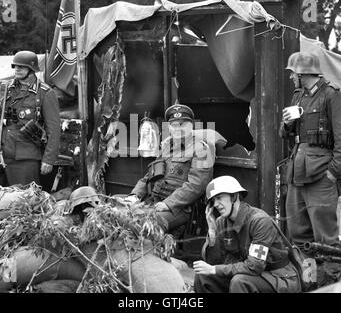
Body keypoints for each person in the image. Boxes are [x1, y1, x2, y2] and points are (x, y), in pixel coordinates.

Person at [279, 52, 341, 251]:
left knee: (325, 238)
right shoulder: (298, 96)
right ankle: (308, 280)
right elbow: (284, 134)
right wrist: (287, 124)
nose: (291, 77)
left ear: (303, 74)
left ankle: (329, 279)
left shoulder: (332, 95)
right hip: (298, 174)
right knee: (298, 234)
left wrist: (333, 174)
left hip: (321, 176)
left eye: (293, 73)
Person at [0, 50, 60, 187]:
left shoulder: (45, 93)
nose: (17, 69)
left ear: (32, 69)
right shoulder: (7, 87)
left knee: (25, 197)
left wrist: (49, 160)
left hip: (24, 155)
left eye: (21, 67)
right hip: (0, 151)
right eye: (15, 66)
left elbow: (54, 130)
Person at [193, 175, 301, 293]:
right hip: (248, 274)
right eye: (213, 201)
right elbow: (213, 262)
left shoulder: (260, 221)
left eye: (219, 198)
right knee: (202, 276)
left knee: (239, 281)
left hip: (277, 277)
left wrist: (214, 269)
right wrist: (212, 232)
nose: (216, 204)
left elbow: (255, 266)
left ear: (234, 196)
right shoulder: (221, 222)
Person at [128, 103, 215, 233]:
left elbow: (197, 185)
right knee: (121, 214)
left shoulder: (201, 149)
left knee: (147, 225)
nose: (178, 128)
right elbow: (149, 176)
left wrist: (168, 204)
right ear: (169, 127)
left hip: (180, 208)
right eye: (174, 125)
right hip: (155, 202)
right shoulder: (167, 148)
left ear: (191, 125)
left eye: (183, 124)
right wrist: (135, 195)